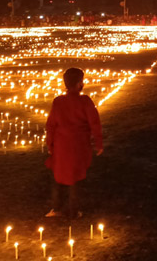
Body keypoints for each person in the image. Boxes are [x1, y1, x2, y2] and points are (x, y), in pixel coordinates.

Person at [45, 68, 103, 218]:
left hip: (61, 146)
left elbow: (51, 124)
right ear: (79, 84)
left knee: (58, 177)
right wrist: (98, 143)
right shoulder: (85, 101)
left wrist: (49, 144)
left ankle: (56, 208)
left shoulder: (58, 102)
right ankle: (73, 211)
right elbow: (94, 123)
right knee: (75, 179)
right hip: (78, 147)